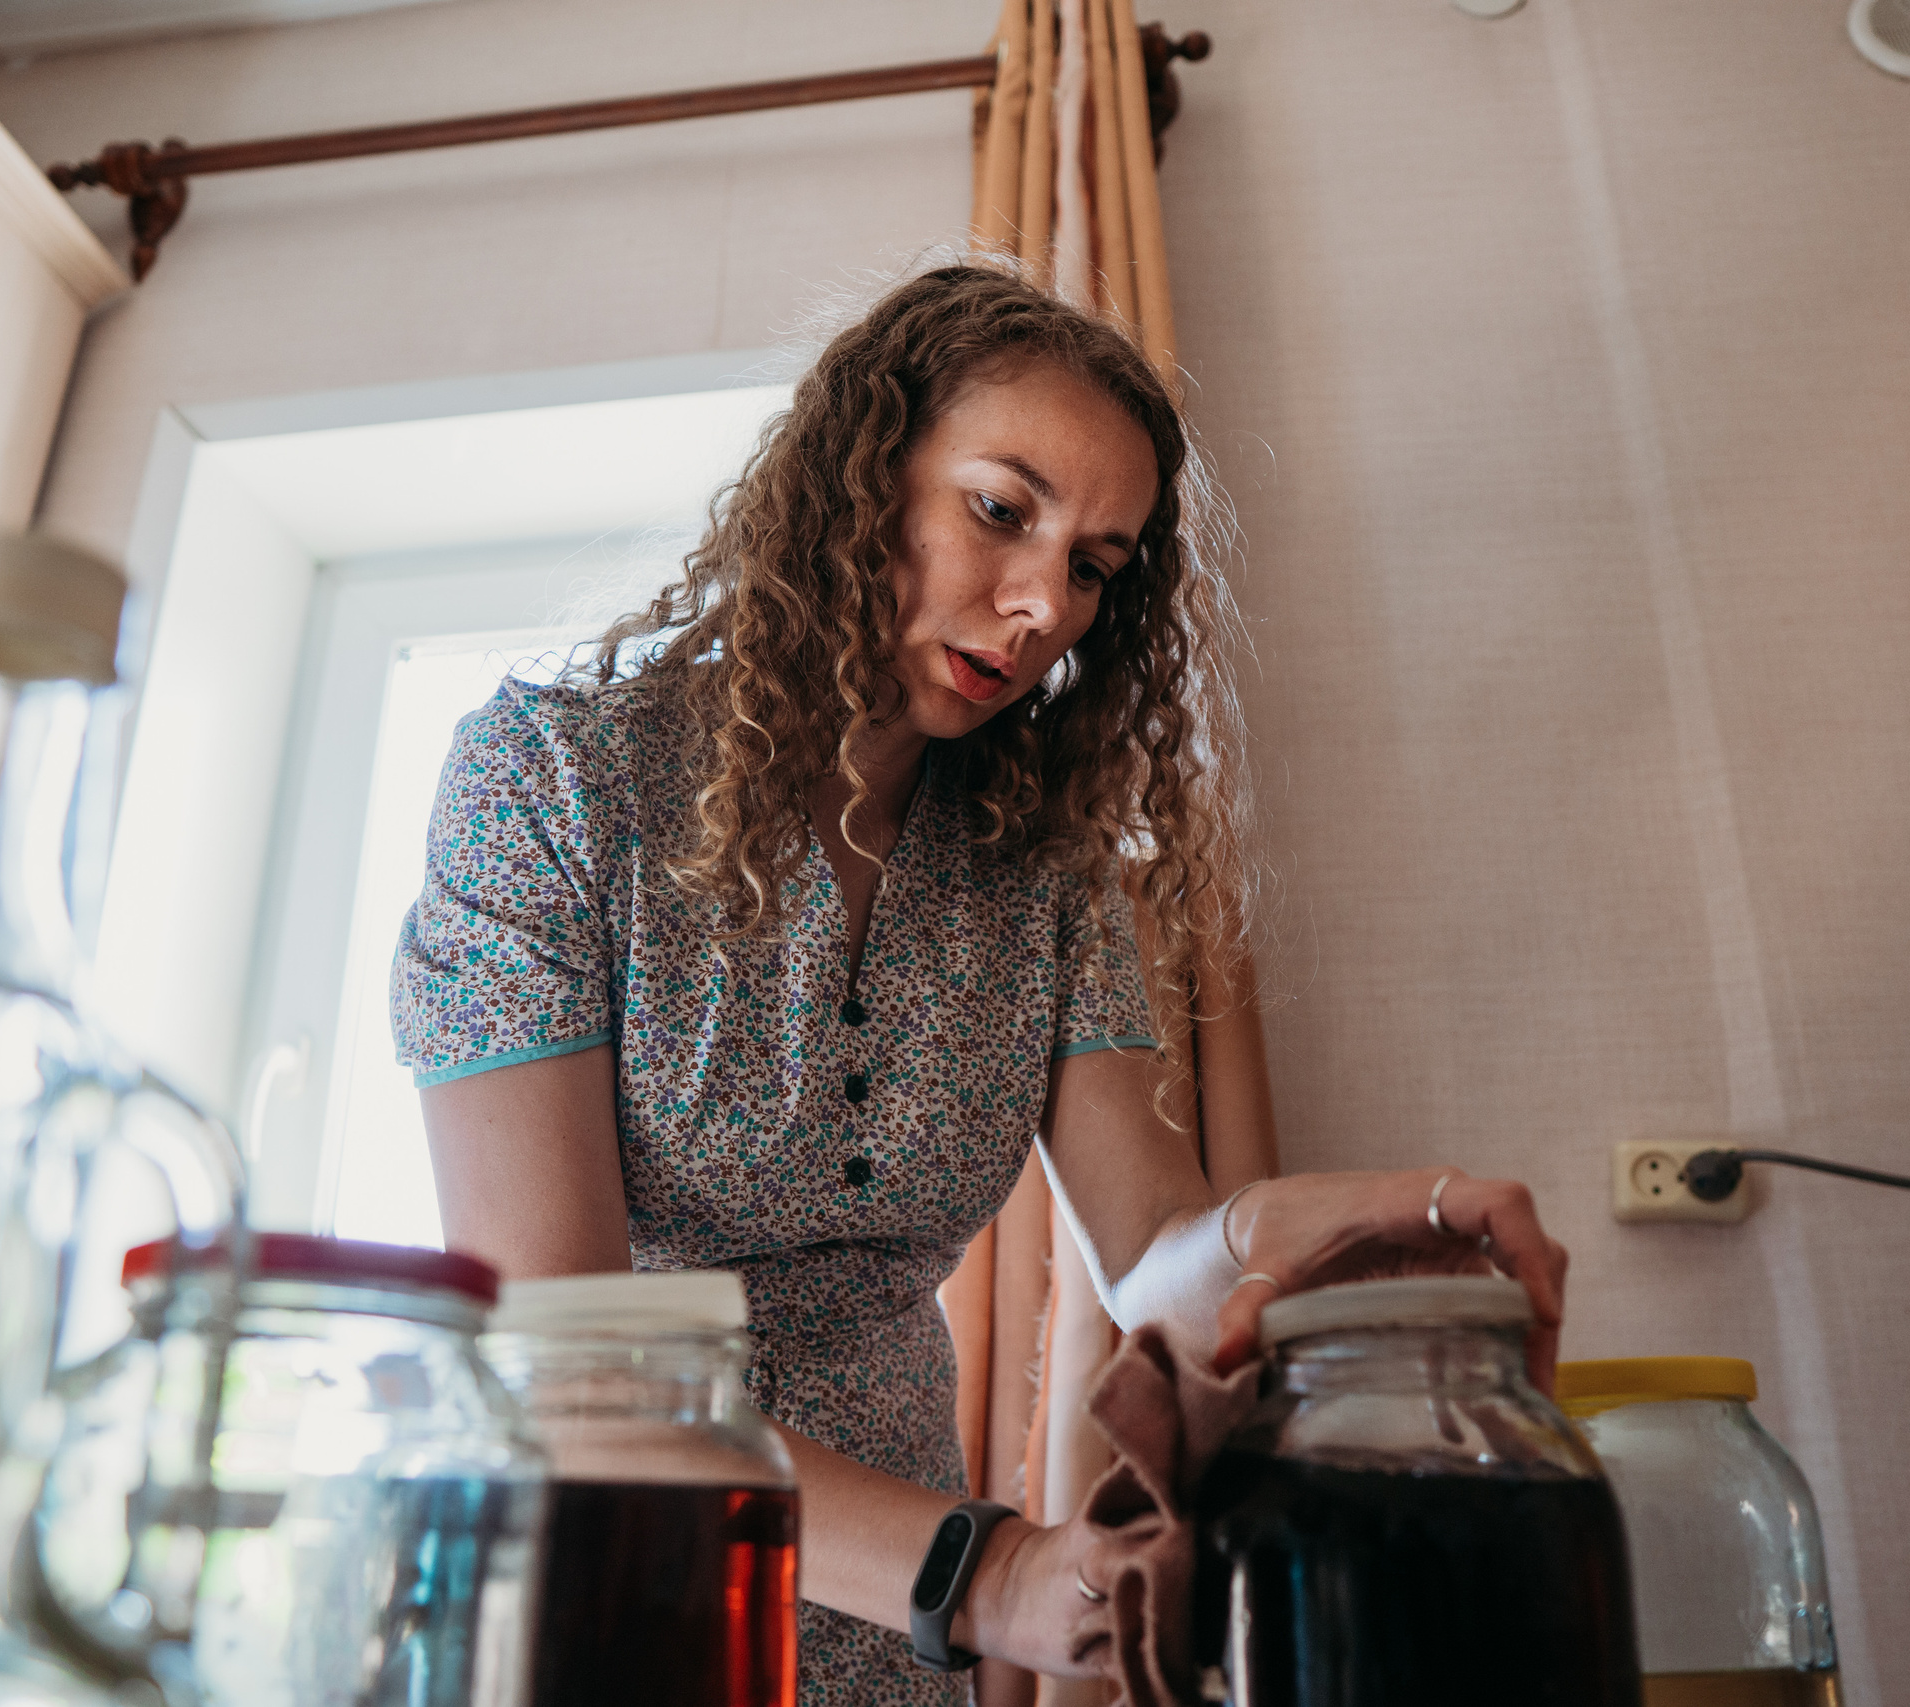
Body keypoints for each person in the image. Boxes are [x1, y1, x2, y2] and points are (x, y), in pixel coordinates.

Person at [390, 264, 1569, 1703]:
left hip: (895, 1630)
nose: (1038, 607)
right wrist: (989, 1571)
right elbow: (563, 1364)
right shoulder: (551, 785)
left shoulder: (1046, 869)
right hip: (605, 1595)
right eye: (1002, 510)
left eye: (1094, 565)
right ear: (857, 480)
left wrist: (1333, 1230)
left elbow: (1152, 1260)